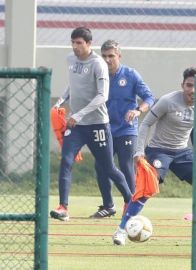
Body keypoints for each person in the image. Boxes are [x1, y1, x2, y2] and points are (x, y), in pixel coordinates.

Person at [112, 67, 196, 247]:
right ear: (183, 85)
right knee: (146, 189)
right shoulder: (168, 101)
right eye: (188, 85)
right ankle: (121, 231)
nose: (191, 90)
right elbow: (145, 124)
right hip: (159, 150)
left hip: (182, 152)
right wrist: (139, 151)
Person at [50, 27, 132, 221]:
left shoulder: (98, 64)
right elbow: (74, 85)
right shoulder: (70, 59)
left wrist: (78, 115)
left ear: (89, 44)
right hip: (76, 127)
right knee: (66, 162)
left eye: (79, 43)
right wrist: (60, 101)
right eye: (73, 42)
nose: (75, 47)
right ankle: (63, 207)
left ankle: (130, 200)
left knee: (108, 167)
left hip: (97, 125)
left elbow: (102, 96)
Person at [89, 40, 155, 218]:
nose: (107, 59)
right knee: (100, 166)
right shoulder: (98, 75)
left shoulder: (131, 75)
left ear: (119, 56)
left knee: (126, 166)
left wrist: (137, 110)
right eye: (104, 56)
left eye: (111, 56)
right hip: (104, 128)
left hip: (126, 130)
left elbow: (149, 98)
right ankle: (108, 206)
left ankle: (131, 206)